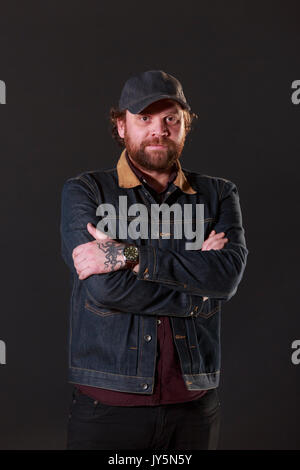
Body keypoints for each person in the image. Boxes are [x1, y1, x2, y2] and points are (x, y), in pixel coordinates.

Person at [60, 70, 248, 450]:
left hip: (194, 404)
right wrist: (198, 294)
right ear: (120, 125)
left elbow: (226, 277)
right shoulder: (86, 191)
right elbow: (105, 287)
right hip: (108, 403)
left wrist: (128, 255)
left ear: (184, 125)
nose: (159, 129)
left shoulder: (218, 194)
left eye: (170, 119)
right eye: (144, 118)